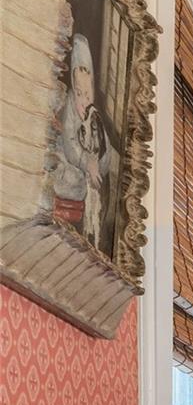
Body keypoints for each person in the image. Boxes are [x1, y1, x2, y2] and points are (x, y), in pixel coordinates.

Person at [51, 33, 109, 250]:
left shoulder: (94, 115)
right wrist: (87, 163)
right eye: (79, 93)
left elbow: (105, 151)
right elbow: (70, 144)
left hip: (87, 170)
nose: (83, 100)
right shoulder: (69, 107)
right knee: (72, 180)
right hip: (66, 161)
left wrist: (98, 161)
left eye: (87, 93)